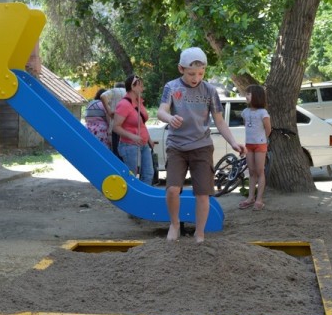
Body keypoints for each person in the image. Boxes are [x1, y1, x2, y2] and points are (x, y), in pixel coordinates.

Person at [157, 47, 246, 243]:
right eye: (191, 73)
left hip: (202, 146)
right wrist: (170, 118)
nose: (196, 77)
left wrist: (233, 142)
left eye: (201, 73)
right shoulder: (171, 87)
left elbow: (220, 121)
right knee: (172, 188)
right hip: (177, 146)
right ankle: (174, 224)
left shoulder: (210, 91)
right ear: (181, 69)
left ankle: (200, 232)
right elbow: (161, 111)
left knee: (203, 193)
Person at [112, 74, 154, 186]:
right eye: (140, 85)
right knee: (132, 176)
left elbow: (142, 123)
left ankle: (144, 200)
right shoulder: (124, 104)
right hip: (129, 145)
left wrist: (149, 139)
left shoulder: (139, 102)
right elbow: (115, 127)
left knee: (149, 173)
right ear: (132, 87)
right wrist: (133, 136)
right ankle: (131, 199)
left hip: (143, 144)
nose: (143, 88)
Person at [238, 85, 271, 211]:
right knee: (251, 172)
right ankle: (250, 198)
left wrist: (263, 139)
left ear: (256, 96)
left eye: (249, 94)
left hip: (260, 145)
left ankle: (259, 199)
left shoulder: (263, 112)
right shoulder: (245, 112)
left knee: (259, 171)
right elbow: (247, 126)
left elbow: (268, 129)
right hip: (249, 145)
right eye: (246, 94)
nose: (246, 96)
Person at [100, 82, 126, 159]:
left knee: (116, 152)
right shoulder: (129, 92)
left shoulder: (114, 91)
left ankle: (118, 169)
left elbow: (103, 96)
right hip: (128, 128)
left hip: (116, 126)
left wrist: (109, 110)